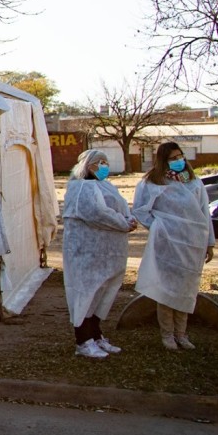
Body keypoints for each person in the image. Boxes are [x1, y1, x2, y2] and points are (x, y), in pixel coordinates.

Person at [133, 141, 215, 351]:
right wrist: (159, 227)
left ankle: (182, 334)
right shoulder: (153, 182)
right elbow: (141, 210)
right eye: (173, 158)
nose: (179, 161)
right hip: (167, 244)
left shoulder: (194, 182)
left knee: (187, 289)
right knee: (166, 289)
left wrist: (209, 242)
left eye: (181, 156)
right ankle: (167, 334)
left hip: (192, 243)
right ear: (163, 160)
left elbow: (205, 213)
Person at [62, 150, 138, 359]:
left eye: (106, 161)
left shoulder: (104, 185)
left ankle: (96, 336)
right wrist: (124, 223)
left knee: (101, 294)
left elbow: (119, 208)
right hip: (87, 252)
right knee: (86, 293)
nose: (104, 166)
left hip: (108, 252)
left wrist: (128, 219)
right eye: (99, 162)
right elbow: (97, 213)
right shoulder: (81, 188)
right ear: (87, 165)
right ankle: (83, 341)